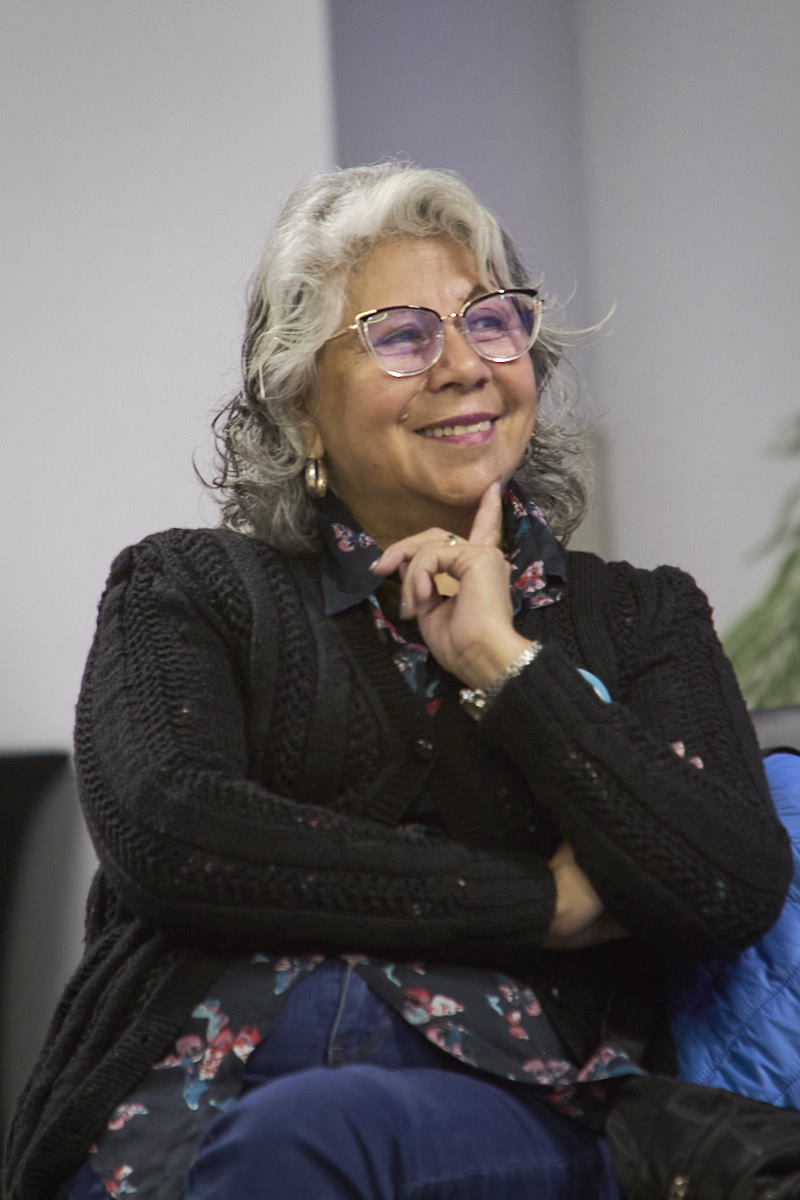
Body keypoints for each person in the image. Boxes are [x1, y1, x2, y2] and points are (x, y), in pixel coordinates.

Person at [3, 162, 792, 1200]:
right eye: (403, 336)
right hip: (180, 1094)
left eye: (491, 323)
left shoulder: (638, 616)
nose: (463, 366)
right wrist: (536, 903)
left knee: (311, 1135)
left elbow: (726, 883)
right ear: (303, 406)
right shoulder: (190, 589)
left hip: (520, 1099)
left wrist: (504, 666)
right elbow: (176, 832)